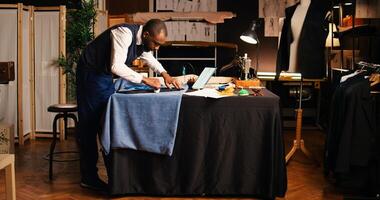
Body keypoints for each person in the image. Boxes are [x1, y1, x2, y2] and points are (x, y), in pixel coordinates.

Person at [76, 19, 180, 191]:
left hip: (103, 76)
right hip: (90, 74)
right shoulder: (124, 33)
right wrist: (145, 79)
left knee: (107, 122)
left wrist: (165, 73)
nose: (157, 48)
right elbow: (116, 66)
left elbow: (148, 57)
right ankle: (88, 177)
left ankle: (115, 177)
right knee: (90, 126)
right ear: (146, 35)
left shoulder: (144, 42)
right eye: (156, 43)